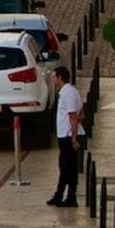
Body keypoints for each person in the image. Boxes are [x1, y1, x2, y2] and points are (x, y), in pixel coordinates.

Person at [45, 70, 87, 208]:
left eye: (54, 77)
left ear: (60, 77)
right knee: (64, 167)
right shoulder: (68, 92)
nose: (52, 80)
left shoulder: (68, 93)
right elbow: (81, 115)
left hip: (69, 136)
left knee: (68, 167)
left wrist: (74, 139)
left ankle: (70, 196)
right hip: (65, 135)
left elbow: (73, 116)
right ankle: (60, 195)